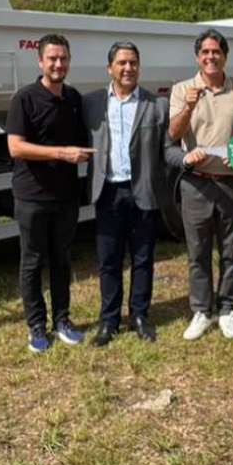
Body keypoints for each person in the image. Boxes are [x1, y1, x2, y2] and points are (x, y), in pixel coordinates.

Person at [7, 33, 94, 353]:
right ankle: (36, 327)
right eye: (52, 58)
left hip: (66, 197)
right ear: (40, 61)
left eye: (64, 58)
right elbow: (15, 147)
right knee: (32, 262)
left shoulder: (72, 98)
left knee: (62, 260)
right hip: (32, 197)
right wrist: (62, 154)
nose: (59, 64)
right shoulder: (25, 98)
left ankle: (62, 321)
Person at [168, 28, 233, 340]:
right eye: (205, 52)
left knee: (230, 251)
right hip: (196, 183)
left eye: (216, 51)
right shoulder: (181, 90)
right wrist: (189, 106)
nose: (210, 57)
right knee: (198, 251)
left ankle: (228, 308)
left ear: (225, 55)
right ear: (197, 57)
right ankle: (202, 310)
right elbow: (174, 134)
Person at [83, 42, 170, 346]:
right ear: (110, 68)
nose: (128, 68)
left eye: (133, 62)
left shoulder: (156, 104)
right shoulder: (91, 103)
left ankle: (139, 316)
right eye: (121, 63)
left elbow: (167, 149)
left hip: (142, 190)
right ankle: (109, 321)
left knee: (143, 257)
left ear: (139, 67)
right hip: (108, 191)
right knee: (109, 259)